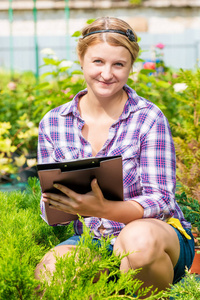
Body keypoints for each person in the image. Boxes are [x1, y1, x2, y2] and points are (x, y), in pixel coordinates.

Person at [35, 17, 195, 293]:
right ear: (81, 59)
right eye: (98, 62)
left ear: (130, 67)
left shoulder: (148, 118)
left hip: (156, 235)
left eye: (118, 64)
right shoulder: (54, 122)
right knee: (49, 273)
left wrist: (102, 208)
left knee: (137, 242)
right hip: (94, 239)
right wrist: (60, 204)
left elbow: (162, 200)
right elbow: (51, 205)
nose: (107, 74)